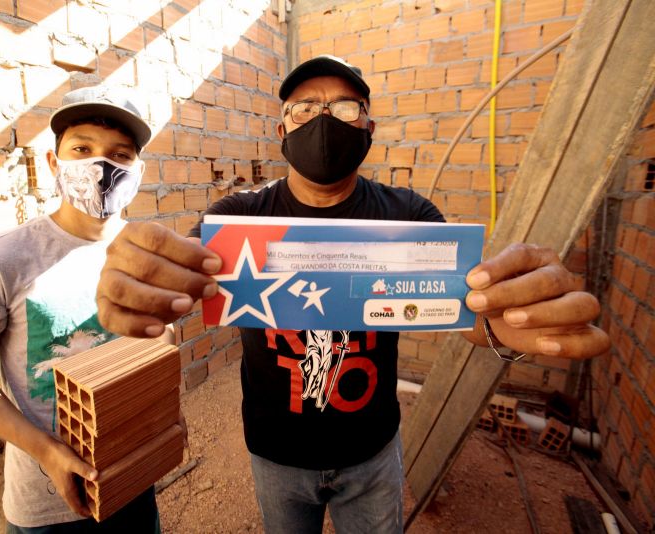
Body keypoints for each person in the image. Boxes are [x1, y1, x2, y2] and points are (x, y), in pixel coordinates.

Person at [95, 56, 610, 533]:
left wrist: (510, 319)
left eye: (344, 108)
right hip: (276, 452)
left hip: (371, 452)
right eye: (305, 109)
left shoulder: (409, 216)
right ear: (282, 130)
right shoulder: (237, 218)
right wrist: (146, 281)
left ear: (368, 128)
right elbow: (184, 277)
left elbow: (467, 309)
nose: (325, 121)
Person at [0, 85, 163, 532]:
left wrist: (161, 421)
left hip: (132, 477)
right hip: (48, 501)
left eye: (121, 154)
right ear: (54, 162)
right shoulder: (0, 259)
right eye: (82, 148)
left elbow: (151, 347)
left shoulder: (143, 252)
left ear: (138, 171)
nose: (101, 165)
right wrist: (46, 450)